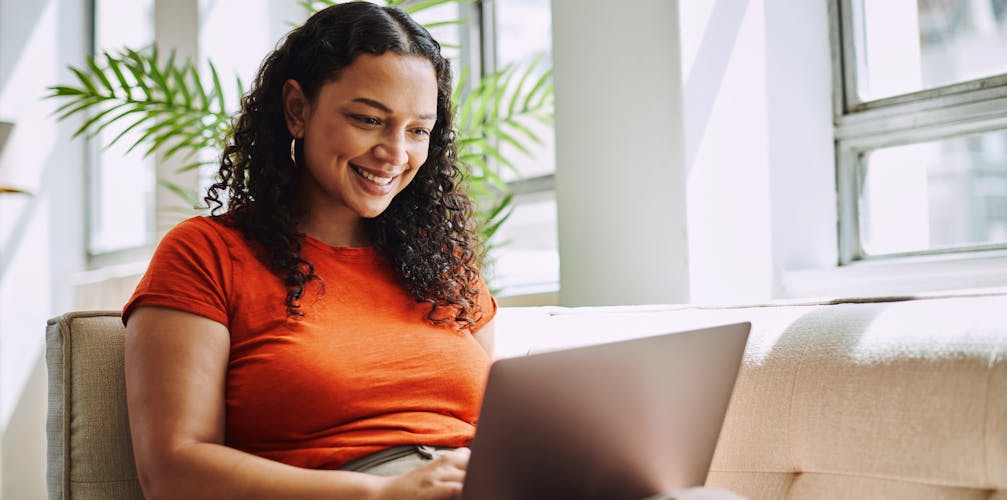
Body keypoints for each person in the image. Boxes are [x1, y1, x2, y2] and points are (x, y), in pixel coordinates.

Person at [122, 3, 495, 499]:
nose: (396, 153)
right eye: (368, 119)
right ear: (297, 109)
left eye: (418, 130)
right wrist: (381, 495)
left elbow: (499, 423)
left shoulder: (442, 262)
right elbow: (173, 471)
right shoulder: (206, 254)